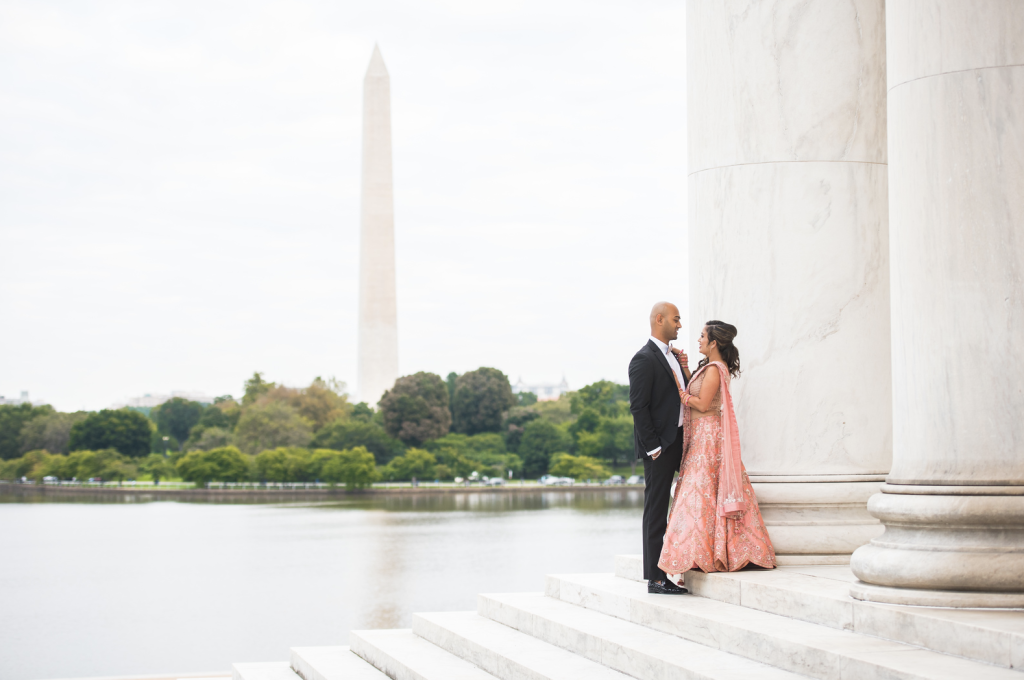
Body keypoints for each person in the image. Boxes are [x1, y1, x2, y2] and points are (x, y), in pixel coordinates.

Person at [658, 321, 776, 575]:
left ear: (714, 342)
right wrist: (687, 370)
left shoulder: (715, 368)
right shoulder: (710, 368)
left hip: (709, 439)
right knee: (702, 495)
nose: (698, 340)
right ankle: (701, 552)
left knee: (701, 494)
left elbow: (701, 404)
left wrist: (681, 393)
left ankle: (707, 553)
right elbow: (702, 395)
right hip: (703, 437)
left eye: (702, 336)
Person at [628, 301, 691, 595]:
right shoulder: (643, 359)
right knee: (656, 510)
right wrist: (654, 448)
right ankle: (655, 578)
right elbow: (638, 407)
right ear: (659, 319)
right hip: (661, 448)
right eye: (676, 319)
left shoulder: (674, 357)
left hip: (682, 442)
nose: (680, 324)